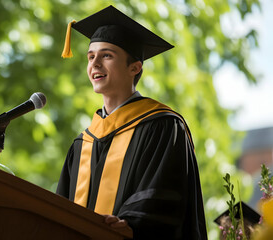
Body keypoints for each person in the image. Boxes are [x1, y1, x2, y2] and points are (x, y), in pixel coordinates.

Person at [56, 5, 208, 239]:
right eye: (90, 56)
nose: (94, 63)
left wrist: (133, 224)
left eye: (106, 55)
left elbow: (166, 198)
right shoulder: (82, 144)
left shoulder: (163, 126)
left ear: (134, 67)